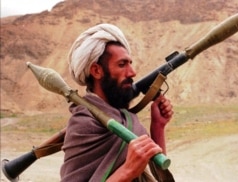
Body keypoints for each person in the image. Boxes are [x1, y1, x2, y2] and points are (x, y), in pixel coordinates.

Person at [60, 23, 175, 182]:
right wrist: (127, 171)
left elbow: (156, 170)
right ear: (96, 71)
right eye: (122, 64)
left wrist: (158, 126)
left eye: (130, 63)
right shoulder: (83, 124)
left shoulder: (125, 117)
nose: (132, 72)